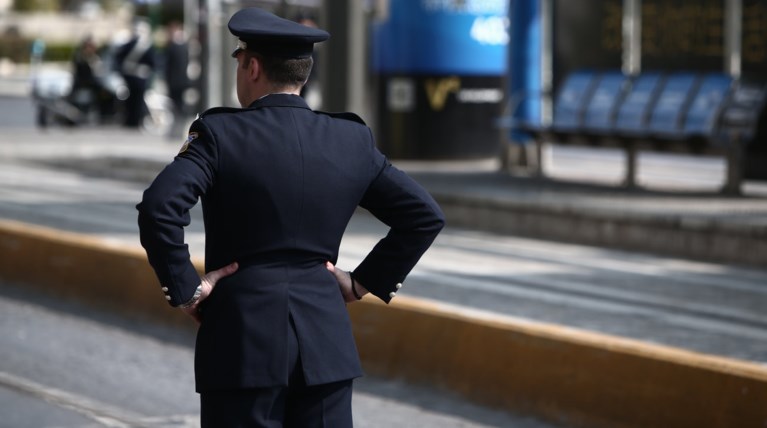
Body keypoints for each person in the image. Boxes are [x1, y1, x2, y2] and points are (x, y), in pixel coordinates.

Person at [136, 7, 444, 428]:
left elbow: (159, 207)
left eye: (240, 62)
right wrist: (360, 282)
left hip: (242, 344)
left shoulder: (219, 134)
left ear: (253, 67)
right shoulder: (351, 139)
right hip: (326, 349)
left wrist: (187, 288)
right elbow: (423, 215)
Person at [114, 18, 156, 128]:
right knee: (134, 100)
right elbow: (152, 62)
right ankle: (134, 121)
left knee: (133, 100)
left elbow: (119, 58)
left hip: (133, 76)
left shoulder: (136, 44)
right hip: (137, 77)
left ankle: (132, 121)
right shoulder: (143, 45)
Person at [163, 21, 191, 138]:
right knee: (180, 106)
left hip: (174, 83)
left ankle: (176, 130)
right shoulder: (184, 47)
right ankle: (178, 130)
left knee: (176, 107)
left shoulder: (172, 47)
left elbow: (168, 67)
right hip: (182, 82)